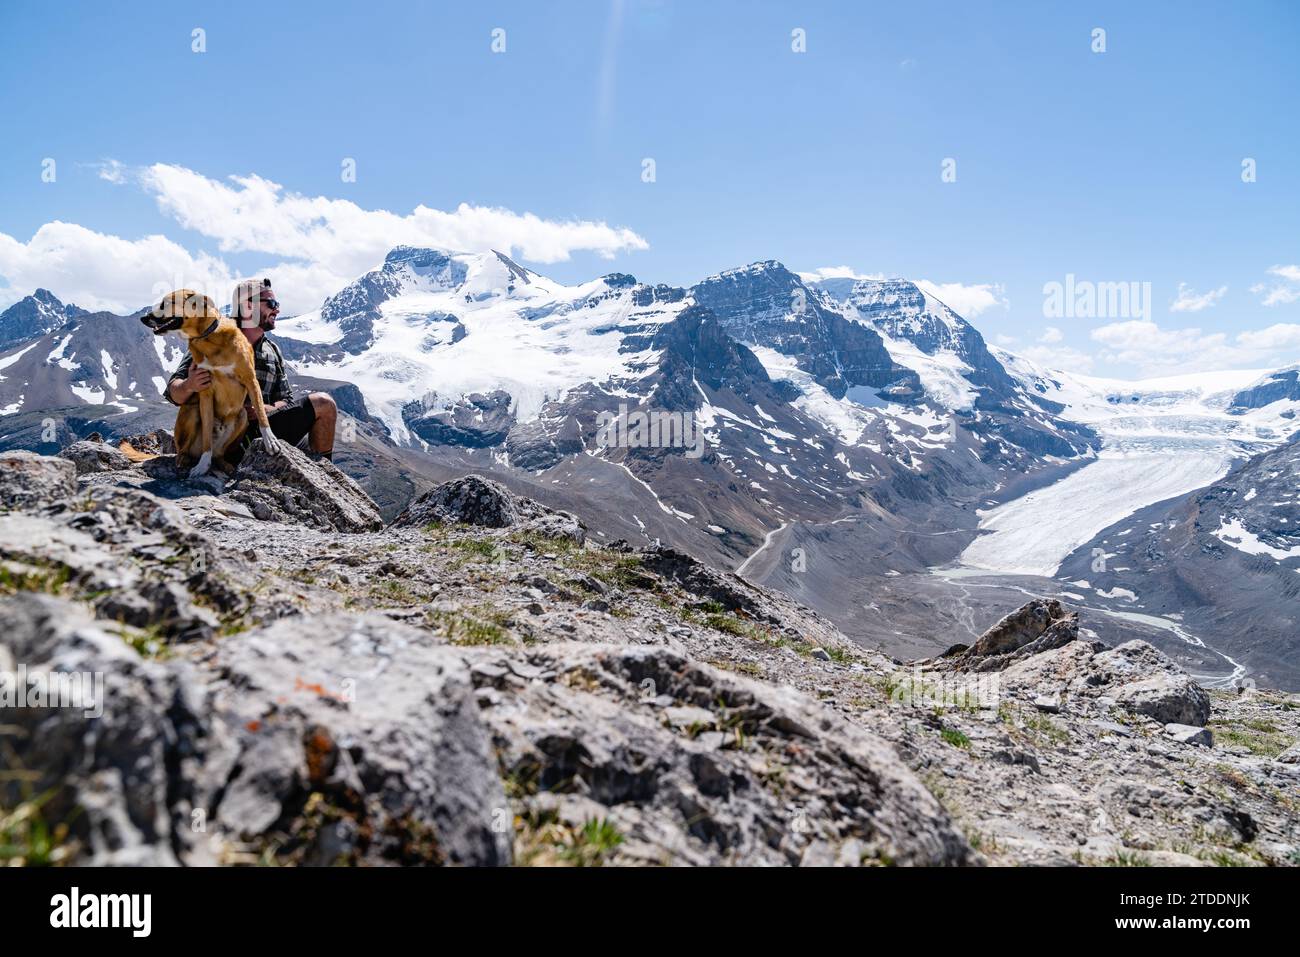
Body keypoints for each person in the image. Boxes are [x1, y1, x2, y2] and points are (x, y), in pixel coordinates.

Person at [163, 278, 337, 464]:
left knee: (323, 411)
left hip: (263, 430)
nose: (277, 309)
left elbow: (285, 400)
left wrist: (263, 408)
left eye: (277, 304)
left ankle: (323, 474)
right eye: (270, 303)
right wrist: (190, 384)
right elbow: (174, 394)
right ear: (247, 307)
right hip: (224, 436)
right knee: (322, 402)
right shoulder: (212, 340)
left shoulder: (272, 350)